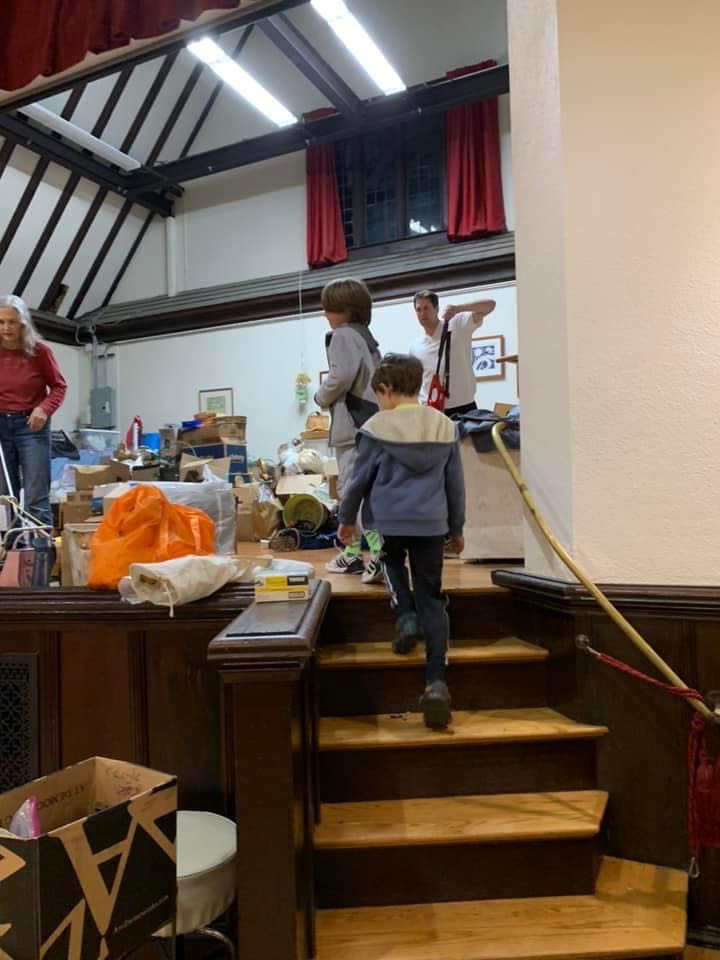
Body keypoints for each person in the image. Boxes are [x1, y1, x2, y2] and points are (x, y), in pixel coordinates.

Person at [336, 353, 465, 729]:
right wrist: (457, 529)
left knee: (390, 562)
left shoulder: (377, 428)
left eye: (379, 394)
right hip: (432, 523)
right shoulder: (444, 427)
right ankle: (436, 682)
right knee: (433, 597)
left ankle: (405, 617)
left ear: (388, 389)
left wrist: (346, 521)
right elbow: (455, 486)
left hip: (387, 521)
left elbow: (358, 481)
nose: (379, 402)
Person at [314, 278, 384, 583]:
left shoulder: (341, 335)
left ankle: (377, 556)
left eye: (329, 307)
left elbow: (340, 376)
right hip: (369, 423)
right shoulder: (366, 337)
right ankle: (355, 553)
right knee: (364, 492)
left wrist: (320, 397)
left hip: (352, 426)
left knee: (353, 492)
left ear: (344, 309)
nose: (325, 313)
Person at [0, 295, 67, 530]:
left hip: (32, 426)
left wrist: (44, 409)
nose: (6, 328)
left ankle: (40, 562)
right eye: (1, 322)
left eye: (12, 322)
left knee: (36, 497)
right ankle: (10, 559)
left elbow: (59, 386)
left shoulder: (39, 352)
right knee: (4, 498)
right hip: (1, 427)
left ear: (23, 324)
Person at [410, 290, 497, 415]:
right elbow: (415, 382)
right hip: (432, 410)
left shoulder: (456, 324)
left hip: (464, 406)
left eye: (426, 308)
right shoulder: (415, 346)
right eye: (418, 310)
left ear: (436, 309)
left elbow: (490, 305)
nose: (423, 313)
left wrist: (458, 308)